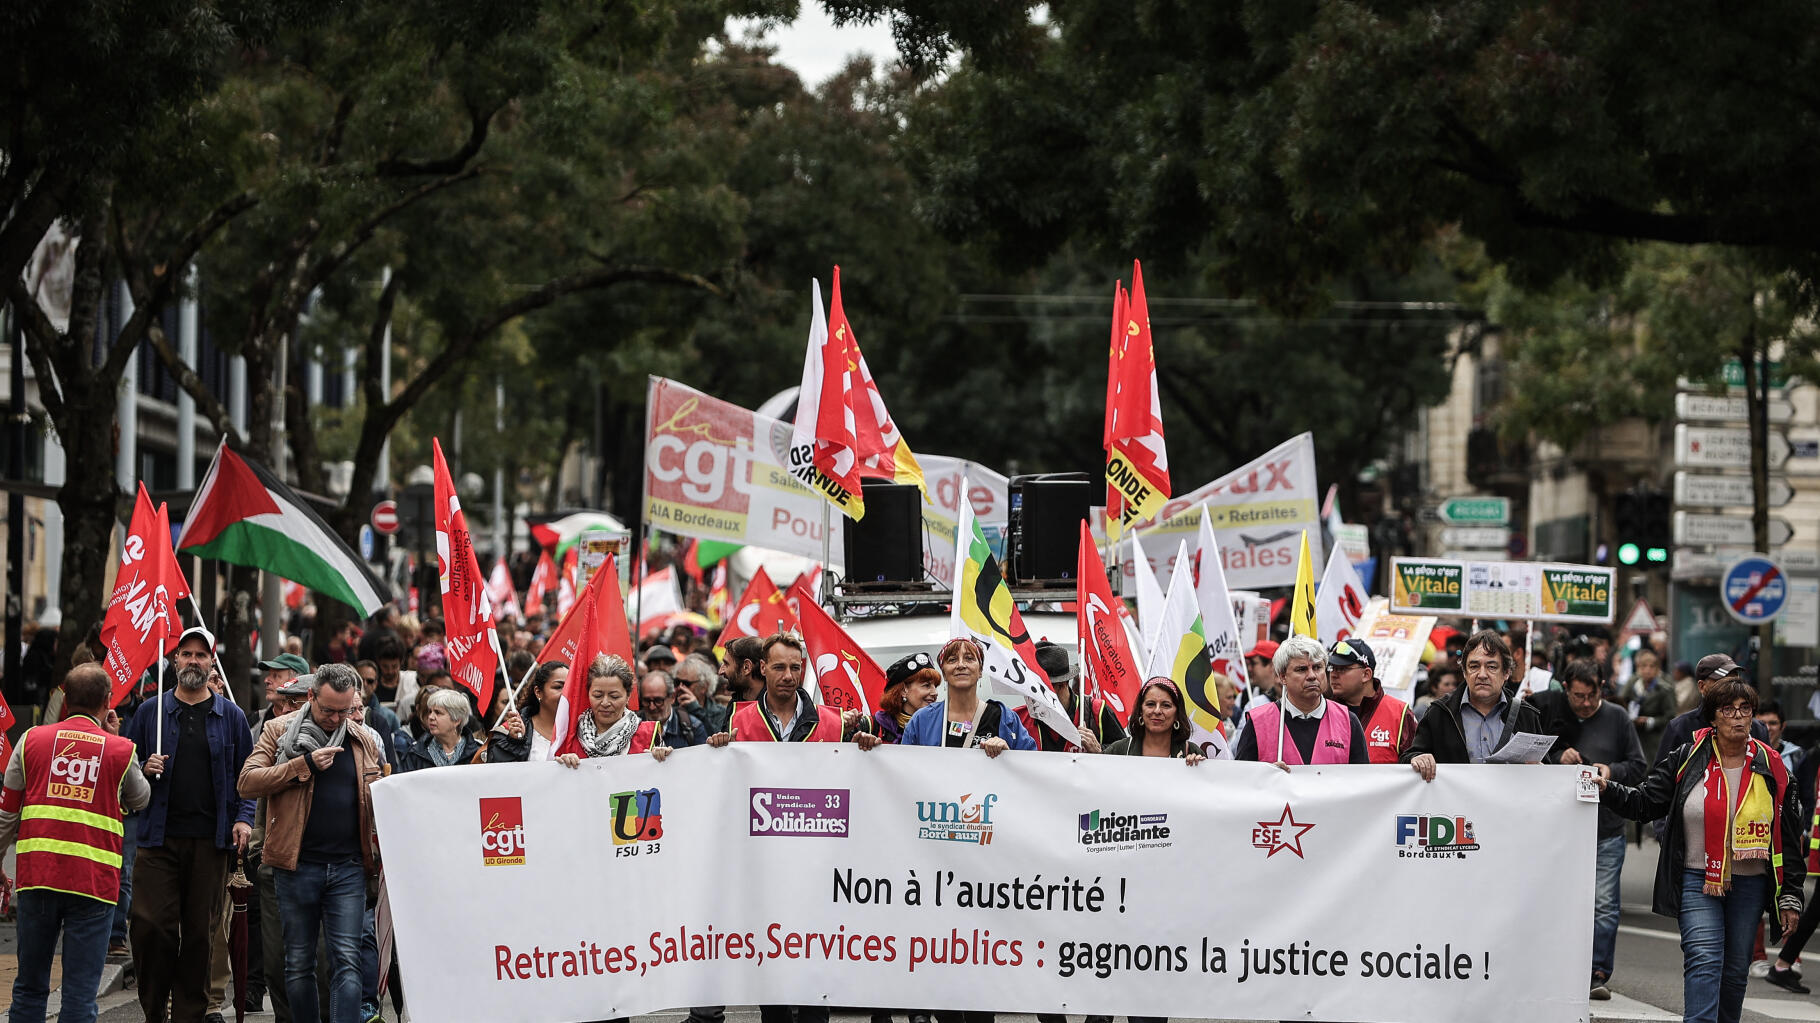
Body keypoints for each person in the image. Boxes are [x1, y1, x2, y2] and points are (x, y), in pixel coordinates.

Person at [1596, 677, 1805, 1023]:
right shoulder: (1687, 757)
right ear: (1712, 717)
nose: (1738, 717)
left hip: (1751, 884)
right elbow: (1646, 802)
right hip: (1698, 879)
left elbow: (1786, 836)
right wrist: (1607, 788)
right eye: (1728, 710)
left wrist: (1791, 896)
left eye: (1745, 710)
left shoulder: (1772, 767)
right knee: (1704, 959)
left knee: (1736, 971)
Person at [0, 664, 150, 1023]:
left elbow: (6, 814)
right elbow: (141, 798)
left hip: (38, 877)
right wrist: (113, 736)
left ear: (64, 698)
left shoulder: (31, 739)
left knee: (29, 988)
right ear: (107, 702)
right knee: (80, 996)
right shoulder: (119, 750)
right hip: (93, 884)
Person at [124, 626, 255, 1023]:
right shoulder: (152, 712)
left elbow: (246, 778)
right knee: (151, 929)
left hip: (210, 843)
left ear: (211, 662)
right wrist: (144, 767)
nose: (193, 661)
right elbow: (126, 768)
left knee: (200, 935)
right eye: (186, 654)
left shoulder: (230, 716)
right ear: (174, 660)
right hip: (157, 839)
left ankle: (189, 1015)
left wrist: (244, 820)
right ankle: (154, 1010)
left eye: (201, 655)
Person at [238, 664, 384, 1023]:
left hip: (348, 868)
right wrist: (301, 765)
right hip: (296, 865)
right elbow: (248, 782)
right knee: (299, 963)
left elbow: (378, 792)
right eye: (328, 710)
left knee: (347, 960)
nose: (336, 719)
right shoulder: (278, 731)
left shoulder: (361, 738)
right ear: (311, 696)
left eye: (345, 710)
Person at [1545, 661, 1646, 1000]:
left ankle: (1597, 972)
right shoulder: (1551, 711)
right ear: (1565, 689)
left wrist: (1609, 770)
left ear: (1602, 688)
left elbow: (1638, 766)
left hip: (1606, 828)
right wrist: (1558, 757)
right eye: (1578, 696)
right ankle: (1556, 966)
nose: (1585, 703)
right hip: (1561, 828)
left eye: (1592, 696)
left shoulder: (1617, 717)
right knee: (1558, 900)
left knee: (1603, 903)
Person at [1405, 629, 1554, 781]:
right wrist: (1418, 758)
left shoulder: (1526, 715)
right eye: (1474, 666)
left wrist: (1539, 770)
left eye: (1492, 667)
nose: (1482, 674)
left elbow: (1547, 773)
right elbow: (1410, 757)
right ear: (1464, 671)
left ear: (1506, 673)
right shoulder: (1440, 713)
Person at [1233, 635, 1367, 766]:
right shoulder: (1258, 723)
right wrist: (1268, 775)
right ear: (1283, 677)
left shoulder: (1348, 721)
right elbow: (1242, 781)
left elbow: (1361, 781)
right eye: (1302, 669)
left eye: (1317, 667)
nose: (1312, 676)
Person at [708, 634, 853, 747]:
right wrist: (720, 749)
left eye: (795, 668)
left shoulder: (834, 722)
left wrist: (866, 745)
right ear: (763, 668)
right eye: (779, 668)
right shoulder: (737, 720)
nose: (788, 676)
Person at [898, 638, 1035, 754]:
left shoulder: (1006, 719)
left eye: (969, 658)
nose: (961, 665)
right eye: (952, 660)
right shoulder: (922, 720)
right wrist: (876, 751)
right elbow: (905, 769)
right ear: (944, 673)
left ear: (980, 670)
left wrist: (1008, 754)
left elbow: (1031, 766)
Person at [1654, 655, 1770, 771]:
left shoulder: (1756, 729)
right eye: (1722, 682)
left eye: (1735, 681)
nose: (1730, 688)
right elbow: (1661, 780)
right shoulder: (1680, 727)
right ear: (1702, 686)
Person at [556, 656, 674, 766]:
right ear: (588, 694)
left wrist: (663, 760)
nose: (605, 703)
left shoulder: (648, 734)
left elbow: (663, 783)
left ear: (628, 696)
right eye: (598, 696)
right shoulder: (570, 732)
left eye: (614, 696)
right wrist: (563, 766)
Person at [1017, 642, 1125, 753]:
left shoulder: (1096, 712)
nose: (1033, 694)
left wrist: (1100, 750)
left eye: (1040, 688)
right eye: (1031, 687)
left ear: (1062, 684)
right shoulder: (1017, 719)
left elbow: (1126, 754)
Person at [1324, 639, 1415, 764]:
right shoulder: (1321, 710)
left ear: (1366, 674)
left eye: (1342, 669)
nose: (1333, 674)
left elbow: (1415, 760)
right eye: (1331, 667)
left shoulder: (1399, 713)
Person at [1105, 677, 1206, 764]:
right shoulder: (1118, 750)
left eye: (1166, 705)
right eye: (1150, 704)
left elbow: (1207, 784)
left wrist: (1197, 769)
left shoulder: (1191, 751)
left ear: (1177, 714)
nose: (1157, 711)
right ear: (1141, 711)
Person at [489, 662, 568, 763]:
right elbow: (498, 771)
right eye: (558, 687)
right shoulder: (513, 730)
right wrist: (514, 743)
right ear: (538, 692)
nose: (565, 693)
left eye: (569, 687)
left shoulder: (582, 729)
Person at [395, 689, 484, 770]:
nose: (430, 717)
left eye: (438, 713)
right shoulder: (414, 754)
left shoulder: (478, 753)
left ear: (456, 720)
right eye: (430, 712)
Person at [873, 653, 942, 745]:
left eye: (935, 686)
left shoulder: (941, 725)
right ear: (903, 691)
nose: (935, 693)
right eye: (926, 685)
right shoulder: (874, 725)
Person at [1627, 647, 1678, 766]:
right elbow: (1623, 702)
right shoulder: (1634, 687)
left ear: (1657, 670)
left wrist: (1651, 721)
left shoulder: (1664, 689)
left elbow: (1670, 716)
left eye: (1651, 667)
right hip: (1637, 737)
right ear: (1638, 669)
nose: (1647, 670)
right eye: (1643, 666)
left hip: (1655, 739)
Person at [639, 671, 709, 748]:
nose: (652, 707)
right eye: (646, 701)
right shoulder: (633, 727)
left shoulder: (693, 727)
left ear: (672, 697)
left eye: (658, 701)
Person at [674, 653, 730, 736]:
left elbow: (717, 740)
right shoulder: (670, 707)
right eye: (677, 682)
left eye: (686, 684)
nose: (680, 687)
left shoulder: (721, 712)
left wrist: (696, 710)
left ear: (704, 686)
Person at [1755, 701, 1802, 775]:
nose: (1767, 728)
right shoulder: (1744, 753)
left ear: (1783, 726)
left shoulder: (1797, 756)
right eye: (1762, 723)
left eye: (1773, 723)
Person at [1237, 640, 1281, 718]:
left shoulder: (1290, 697)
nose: (1249, 669)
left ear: (1272, 666)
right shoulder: (1244, 696)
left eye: (1253, 663)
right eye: (1248, 664)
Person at [718, 636, 766, 704]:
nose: (720, 671)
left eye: (726, 664)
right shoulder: (734, 704)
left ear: (747, 667)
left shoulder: (775, 709)